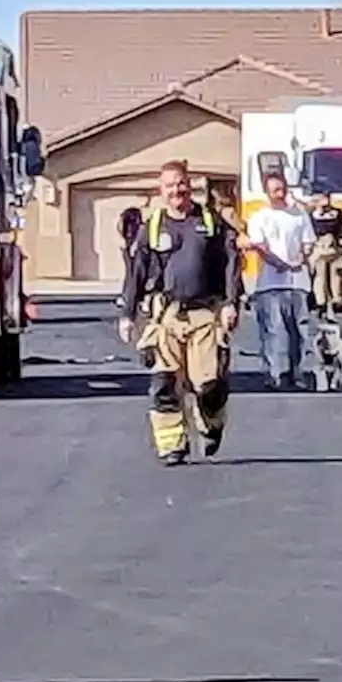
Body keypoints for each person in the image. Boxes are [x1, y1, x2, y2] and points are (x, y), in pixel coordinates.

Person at [118, 160, 242, 465]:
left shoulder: (210, 222)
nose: (177, 190)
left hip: (205, 315)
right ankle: (172, 444)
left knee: (209, 385)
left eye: (181, 184)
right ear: (161, 191)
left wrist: (230, 302)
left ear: (190, 186)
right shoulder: (152, 227)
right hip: (166, 316)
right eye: (170, 186)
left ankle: (211, 425)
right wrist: (128, 314)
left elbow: (231, 262)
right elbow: (136, 272)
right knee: (164, 383)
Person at [246, 173, 322, 390]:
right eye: (275, 190)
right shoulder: (259, 217)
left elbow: (308, 242)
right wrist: (277, 262)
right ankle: (275, 374)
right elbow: (259, 246)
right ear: (267, 192)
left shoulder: (299, 215)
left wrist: (302, 256)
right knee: (273, 330)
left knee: (299, 331)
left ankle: (298, 373)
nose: (280, 194)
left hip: (298, 282)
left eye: (282, 189)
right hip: (269, 283)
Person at [115, 207, 143, 309]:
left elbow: (120, 228)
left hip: (129, 246)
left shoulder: (127, 224)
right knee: (133, 274)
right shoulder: (138, 226)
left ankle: (128, 296)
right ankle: (130, 297)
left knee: (131, 274)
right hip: (132, 247)